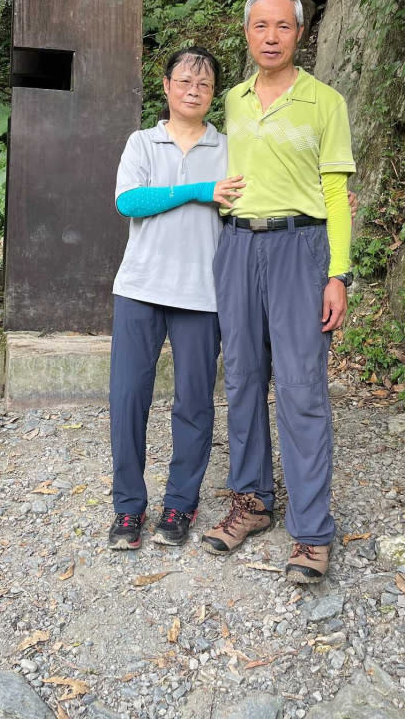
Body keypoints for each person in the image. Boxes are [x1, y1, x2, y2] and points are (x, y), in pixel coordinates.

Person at [201, 0, 355, 584]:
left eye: (282, 27)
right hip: (237, 245)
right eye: (260, 26)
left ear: (299, 34)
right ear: (247, 33)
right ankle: (252, 501)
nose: (270, 37)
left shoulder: (324, 102)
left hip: (300, 248)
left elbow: (338, 196)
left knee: (300, 385)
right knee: (240, 377)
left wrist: (337, 273)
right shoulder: (233, 101)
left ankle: (313, 531)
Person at [107, 46, 245, 551]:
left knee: (194, 404)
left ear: (214, 96)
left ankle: (179, 505)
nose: (193, 90)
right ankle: (127, 509)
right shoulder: (143, 142)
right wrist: (199, 190)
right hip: (139, 288)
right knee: (127, 398)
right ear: (165, 87)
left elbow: (254, 201)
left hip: (201, 294)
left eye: (204, 85)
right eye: (184, 81)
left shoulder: (229, 148)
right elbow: (129, 201)